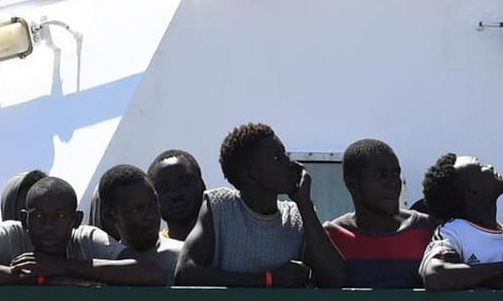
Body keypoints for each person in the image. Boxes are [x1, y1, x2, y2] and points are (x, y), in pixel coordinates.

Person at [176, 123, 347, 288]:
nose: (290, 163)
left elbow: (336, 278)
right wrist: (269, 280)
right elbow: (186, 272)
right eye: (277, 157)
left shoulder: (298, 215)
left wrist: (304, 204)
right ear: (250, 174)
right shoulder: (220, 206)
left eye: (285, 154)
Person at [0, 176, 164, 287]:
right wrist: (37, 279)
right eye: (38, 216)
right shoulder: (11, 234)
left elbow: (151, 272)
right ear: (25, 219)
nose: (49, 226)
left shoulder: (86, 238)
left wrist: (61, 267)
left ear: (76, 220)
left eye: (60, 216)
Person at [418, 153, 503, 290]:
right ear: (473, 191)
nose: (490, 166)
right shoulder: (452, 232)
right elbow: (434, 275)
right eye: (480, 167)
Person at [324, 138, 435, 289]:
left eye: (396, 174)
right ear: (352, 184)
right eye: (381, 175)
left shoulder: (429, 229)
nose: (393, 183)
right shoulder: (332, 236)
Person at [96, 164, 181, 282]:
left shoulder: (183, 257)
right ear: (110, 217)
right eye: (136, 209)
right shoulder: (103, 267)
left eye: (153, 203)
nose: (150, 215)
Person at [148, 149, 206, 242]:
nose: (176, 195)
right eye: (164, 189)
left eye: (185, 183)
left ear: (202, 186)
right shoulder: (147, 254)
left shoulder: (229, 240)